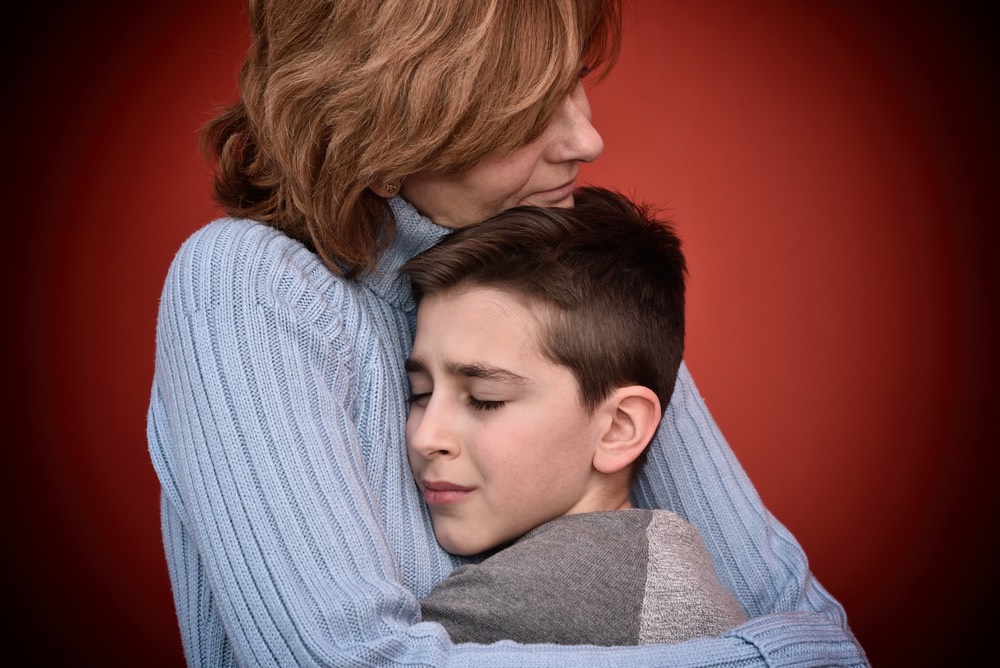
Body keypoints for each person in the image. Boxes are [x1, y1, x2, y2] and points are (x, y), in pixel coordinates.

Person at [146, 0, 868, 665]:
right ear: (387, 141)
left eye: (573, 82)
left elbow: (798, 612)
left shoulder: (546, 269)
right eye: (525, 115)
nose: (586, 138)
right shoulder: (250, 287)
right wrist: (766, 658)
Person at [402, 186, 748, 645]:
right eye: (420, 393)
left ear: (618, 428)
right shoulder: (648, 556)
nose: (427, 436)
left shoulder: (554, 591)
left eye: (485, 399)